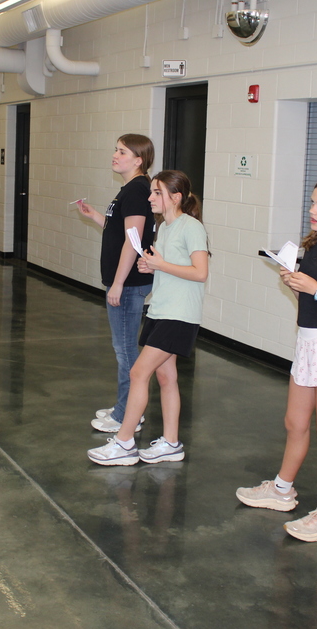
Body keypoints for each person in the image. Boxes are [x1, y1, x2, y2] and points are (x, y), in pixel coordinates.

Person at [236, 175, 317, 542]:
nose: (312, 211)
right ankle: (282, 490)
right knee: (295, 422)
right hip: (309, 342)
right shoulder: (312, 247)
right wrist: (296, 285)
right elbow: (310, 303)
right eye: (312, 203)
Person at [88, 170, 209, 466]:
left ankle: (125, 442)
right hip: (160, 310)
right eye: (151, 192)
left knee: (138, 373)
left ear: (175, 197)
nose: (150, 198)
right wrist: (153, 267)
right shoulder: (163, 228)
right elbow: (171, 267)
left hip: (179, 315)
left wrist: (162, 264)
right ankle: (170, 443)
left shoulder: (191, 227)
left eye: (157, 193)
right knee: (167, 378)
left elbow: (200, 272)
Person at [76, 135, 155, 433]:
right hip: (126, 281)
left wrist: (118, 283)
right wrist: (96, 215)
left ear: (138, 160)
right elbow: (120, 233)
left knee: (125, 351)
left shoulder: (136, 190)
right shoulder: (131, 190)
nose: (115, 155)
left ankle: (127, 415)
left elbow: (132, 243)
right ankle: (126, 405)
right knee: (123, 348)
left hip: (130, 282)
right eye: (115, 149)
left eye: (122, 151)